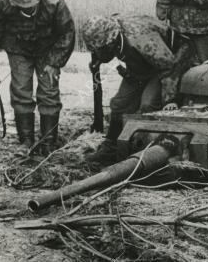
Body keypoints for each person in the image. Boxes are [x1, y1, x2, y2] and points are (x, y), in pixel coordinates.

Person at [0, 0, 75, 155]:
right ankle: (26, 140)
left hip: (48, 49)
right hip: (18, 47)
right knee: (21, 89)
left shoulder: (53, 1)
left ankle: (48, 142)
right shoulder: (3, 0)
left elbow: (67, 33)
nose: (28, 10)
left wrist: (55, 63)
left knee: (49, 90)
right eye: (23, 7)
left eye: (31, 6)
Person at [81, 14, 195, 167]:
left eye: (100, 48)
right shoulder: (112, 33)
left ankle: (142, 152)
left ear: (110, 41)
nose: (99, 52)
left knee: (147, 105)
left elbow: (169, 68)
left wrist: (170, 99)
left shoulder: (140, 40)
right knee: (119, 104)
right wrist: (97, 60)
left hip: (168, 64)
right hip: (143, 65)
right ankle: (110, 148)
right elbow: (104, 52)